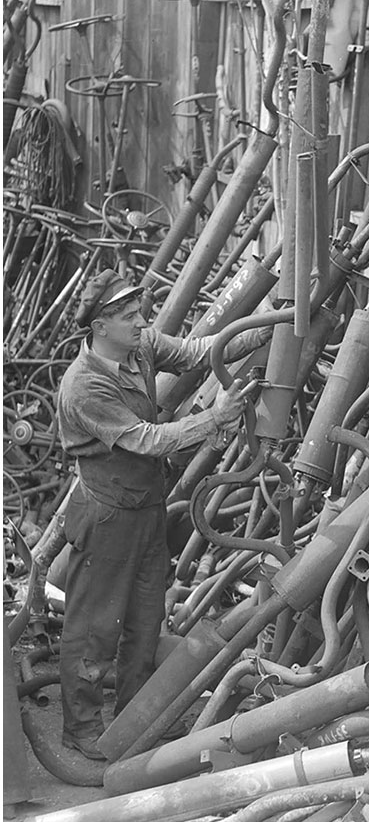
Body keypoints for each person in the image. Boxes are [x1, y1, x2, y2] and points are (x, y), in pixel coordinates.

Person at [56, 269, 268, 760]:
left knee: (145, 620)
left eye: (140, 314)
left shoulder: (140, 346)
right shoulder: (83, 386)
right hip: (106, 516)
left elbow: (199, 352)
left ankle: (135, 719)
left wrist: (268, 326)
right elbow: (146, 439)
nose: (142, 322)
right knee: (92, 629)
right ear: (99, 326)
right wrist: (215, 416)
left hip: (146, 510)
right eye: (130, 317)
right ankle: (82, 728)